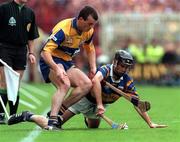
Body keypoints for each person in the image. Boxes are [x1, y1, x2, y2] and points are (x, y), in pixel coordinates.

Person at [8, 50, 167, 129]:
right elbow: (95, 82)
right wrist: (99, 104)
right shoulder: (105, 69)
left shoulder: (127, 81)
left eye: (127, 67)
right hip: (84, 100)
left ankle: (88, 117)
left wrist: (150, 123)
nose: (124, 69)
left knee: (92, 127)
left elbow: (137, 103)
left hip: (100, 105)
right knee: (56, 124)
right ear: (115, 62)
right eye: (122, 65)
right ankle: (28, 116)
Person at [39, 5, 101, 130]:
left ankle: (59, 111)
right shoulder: (64, 29)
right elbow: (45, 52)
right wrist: (56, 68)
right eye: (89, 24)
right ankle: (52, 122)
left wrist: (93, 67)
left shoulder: (88, 31)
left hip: (67, 61)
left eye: (93, 24)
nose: (91, 27)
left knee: (87, 84)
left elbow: (90, 49)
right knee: (64, 84)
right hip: (51, 60)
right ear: (80, 19)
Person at [0, 0, 39, 124]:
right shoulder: (4, 8)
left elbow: (31, 36)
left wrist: (31, 53)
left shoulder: (30, 13)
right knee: (5, 82)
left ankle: (13, 115)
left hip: (21, 50)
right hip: (4, 48)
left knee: (15, 83)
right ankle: (1, 114)